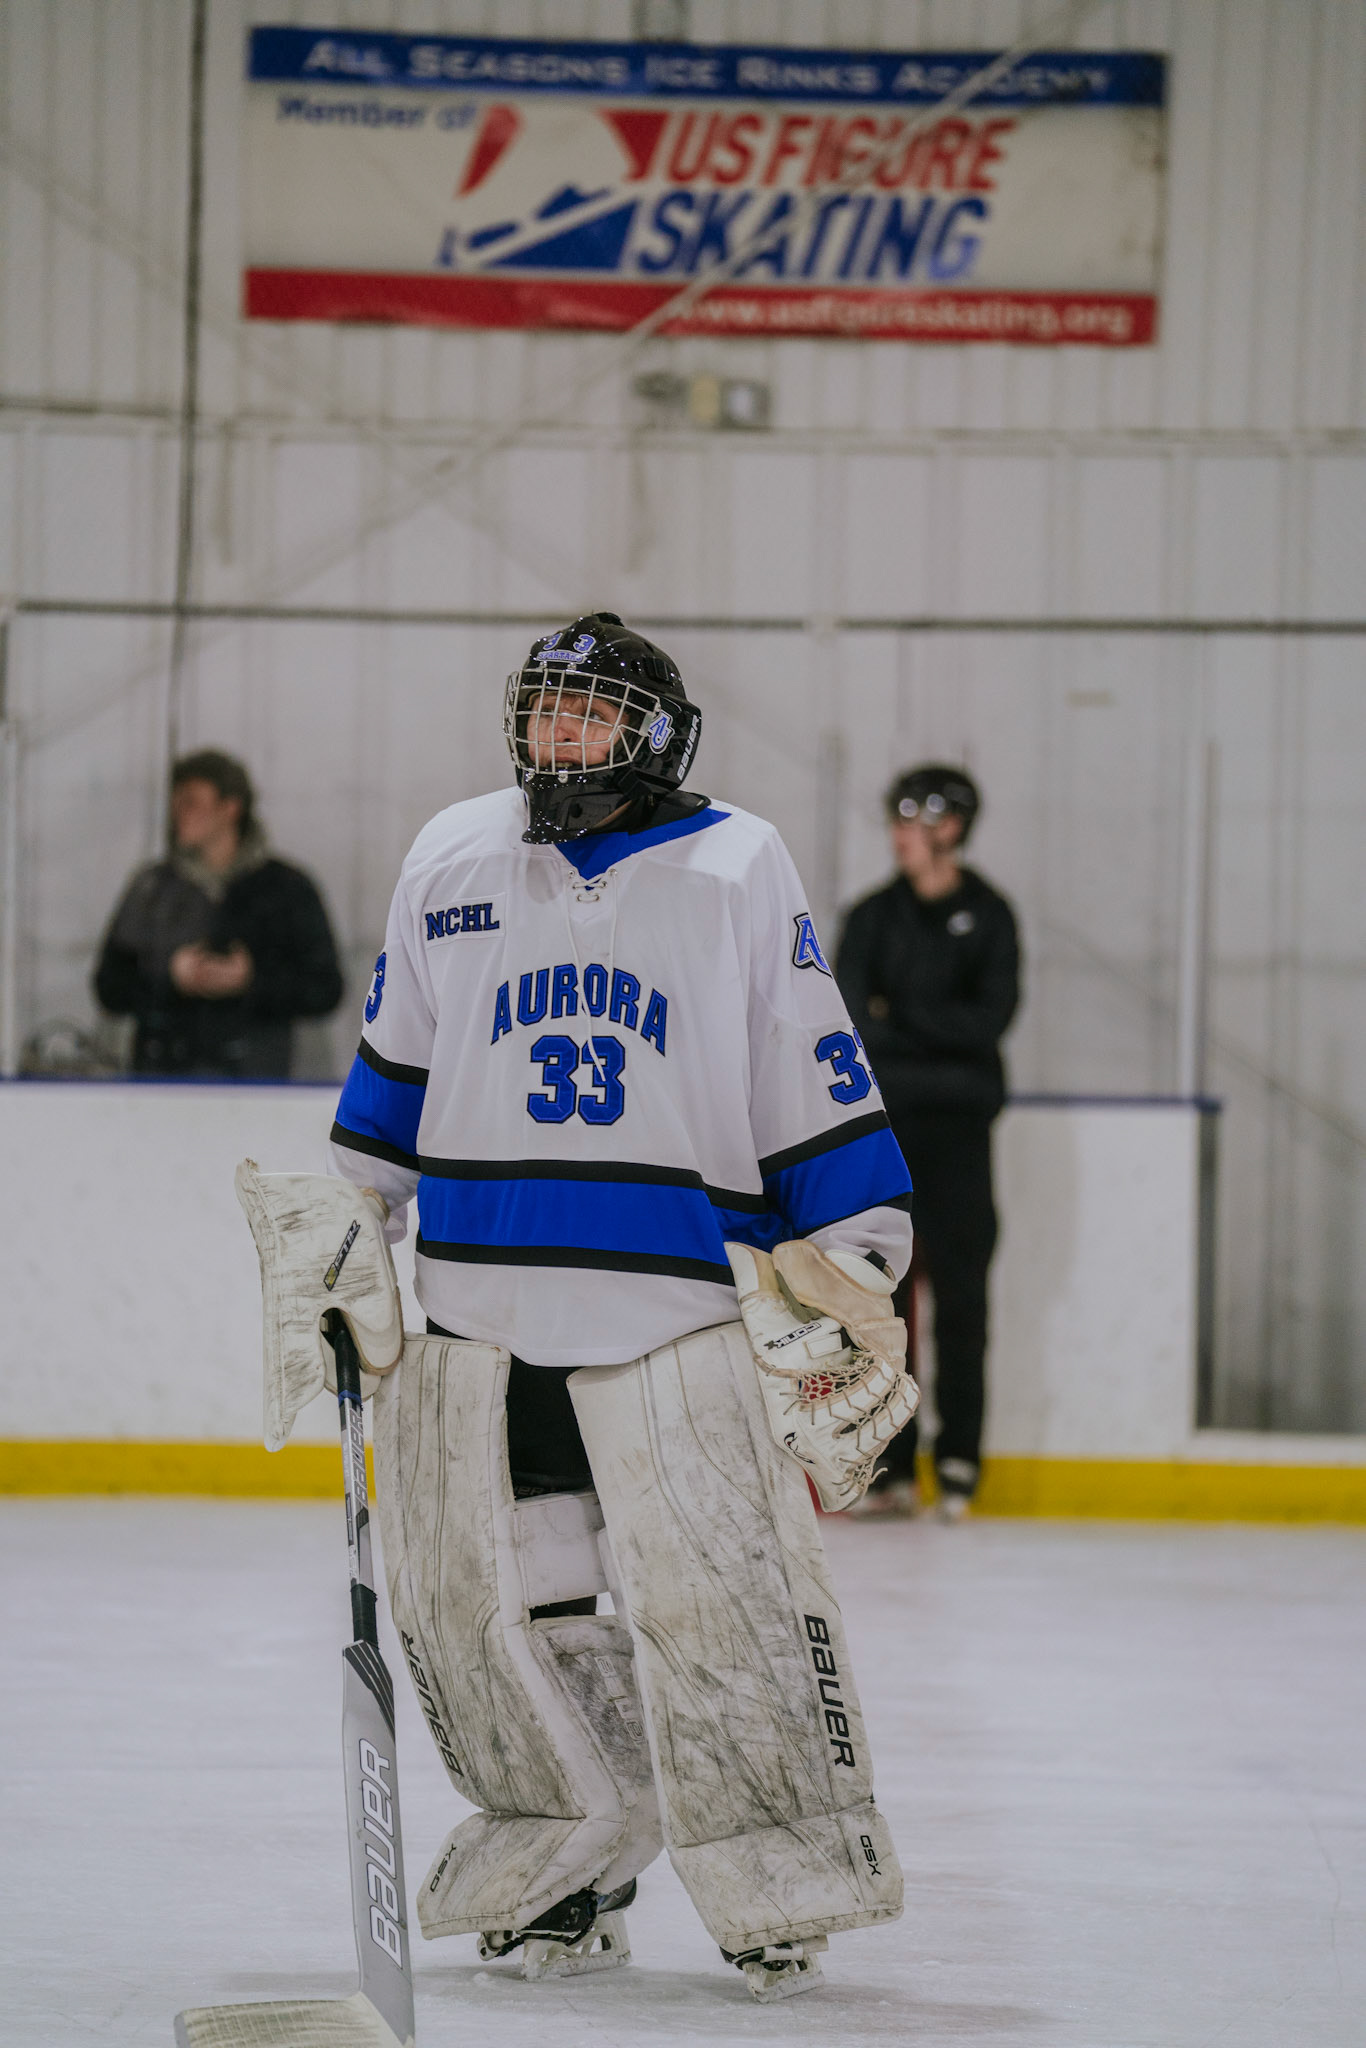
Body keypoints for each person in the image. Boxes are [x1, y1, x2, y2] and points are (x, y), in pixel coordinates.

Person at [312, 613, 915, 1998]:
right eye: (546, 712)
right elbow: (395, 1067)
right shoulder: (450, 852)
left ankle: (777, 1883)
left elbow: (804, 1058)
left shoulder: (736, 861)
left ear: (654, 735)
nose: (562, 738)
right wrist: (351, 1228)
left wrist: (857, 1253)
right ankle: (563, 1877)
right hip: (484, 1316)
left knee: (725, 1609)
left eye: (590, 714)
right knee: (512, 1619)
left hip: (677, 1314)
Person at [836, 764, 1021, 1520]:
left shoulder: (991, 916)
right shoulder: (872, 917)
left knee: (964, 1299)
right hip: (890, 1134)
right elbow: (854, 1021)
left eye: (910, 822)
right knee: (885, 1300)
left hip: (961, 1135)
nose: (897, 836)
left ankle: (959, 1460)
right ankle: (893, 1463)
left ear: (950, 828)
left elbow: (990, 1021)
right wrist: (931, 1029)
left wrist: (901, 1016)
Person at [94, 749, 343, 1077]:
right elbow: (109, 986)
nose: (178, 813)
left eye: (191, 802)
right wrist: (170, 977)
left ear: (230, 808)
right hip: (162, 1080)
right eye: (176, 802)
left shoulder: (286, 889)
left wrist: (251, 981)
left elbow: (326, 988)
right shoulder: (152, 889)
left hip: (259, 1083)